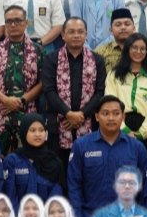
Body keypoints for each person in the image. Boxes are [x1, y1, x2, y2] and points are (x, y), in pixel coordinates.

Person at [66, 95, 147, 217]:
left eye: (116, 113)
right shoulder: (81, 146)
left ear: (123, 117)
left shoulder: (137, 148)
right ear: (97, 117)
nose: (111, 118)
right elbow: (74, 186)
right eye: (105, 113)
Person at [0, 5, 45, 153]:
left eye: (18, 20)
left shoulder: (38, 51)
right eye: (9, 21)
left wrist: (21, 101)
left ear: (26, 23)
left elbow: (42, 83)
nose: (13, 24)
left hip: (27, 111)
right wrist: (6, 100)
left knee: (26, 158)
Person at [42, 16, 106, 156]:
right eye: (71, 31)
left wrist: (81, 115)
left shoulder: (97, 60)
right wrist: (68, 114)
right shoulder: (51, 59)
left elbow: (100, 92)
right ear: (63, 35)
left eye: (80, 31)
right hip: (58, 123)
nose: (76, 35)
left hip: (89, 123)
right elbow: (49, 90)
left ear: (86, 34)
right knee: (60, 165)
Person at [104, 33, 147, 150]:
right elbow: (110, 102)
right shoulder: (114, 75)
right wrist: (124, 130)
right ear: (127, 49)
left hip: (146, 130)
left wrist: (141, 134)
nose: (138, 52)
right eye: (134, 48)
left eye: (143, 49)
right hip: (119, 126)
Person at [2, 114, 64, 210]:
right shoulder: (12, 161)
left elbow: (55, 199)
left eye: (41, 130)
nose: (37, 134)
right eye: (32, 130)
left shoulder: (54, 162)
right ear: (24, 132)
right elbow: (10, 198)